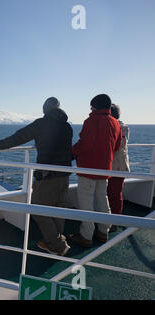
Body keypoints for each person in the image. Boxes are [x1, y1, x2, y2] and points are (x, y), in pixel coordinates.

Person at [0, 97, 73, 256]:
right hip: (65, 173)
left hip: (48, 175)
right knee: (58, 209)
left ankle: (58, 245)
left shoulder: (41, 124)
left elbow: (18, 138)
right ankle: (57, 239)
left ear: (45, 109)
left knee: (38, 208)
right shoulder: (67, 126)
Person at [68, 94, 122, 247]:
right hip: (105, 169)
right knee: (102, 199)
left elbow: (85, 144)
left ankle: (86, 236)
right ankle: (103, 231)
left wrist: (72, 151)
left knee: (86, 201)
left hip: (88, 168)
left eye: (92, 106)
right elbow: (116, 146)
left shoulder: (91, 121)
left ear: (96, 106)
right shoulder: (115, 123)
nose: (90, 109)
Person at [107, 104, 130, 232]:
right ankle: (109, 220)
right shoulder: (120, 127)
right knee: (110, 194)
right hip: (111, 166)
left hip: (117, 167)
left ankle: (115, 221)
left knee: (114, 194)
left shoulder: (123, 128)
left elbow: (119, 145)